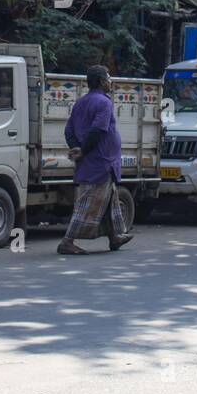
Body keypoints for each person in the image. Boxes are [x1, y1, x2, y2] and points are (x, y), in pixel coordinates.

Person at [59, 64, 133, 255]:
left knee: (110, 200)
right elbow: (97, 130)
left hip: (96, 162)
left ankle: (116, 236)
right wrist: (82, 150)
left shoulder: (80, 102)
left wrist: (75, 147)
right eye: (108, 78)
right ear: (101, 82)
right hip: (100, 162)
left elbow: (68, 130)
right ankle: (67, 241)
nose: (111, 81)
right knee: (88, 202)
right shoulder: (104, 103)